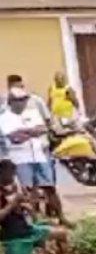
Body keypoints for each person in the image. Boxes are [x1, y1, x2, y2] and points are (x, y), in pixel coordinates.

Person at [0, 87, 64, 222]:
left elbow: (43, 129)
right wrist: (31, 132)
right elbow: (14, 138)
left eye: (24, 99)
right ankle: (35, 219)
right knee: (28, 191)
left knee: (49, 187)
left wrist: (24, 131)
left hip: (38, 154)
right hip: (20, 158)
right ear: (11, 102)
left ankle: (61, 217)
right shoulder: (4, 118)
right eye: (18, 100)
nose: (22, 103)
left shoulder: (33, 113)